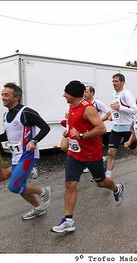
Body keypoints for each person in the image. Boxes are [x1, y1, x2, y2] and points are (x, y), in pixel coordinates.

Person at [52, 80, 124, 233]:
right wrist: (69, 132)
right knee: (70, 185)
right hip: (74, 153)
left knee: (101, 182)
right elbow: (74, 126)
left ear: (73, 94)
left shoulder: (88, 109)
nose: (64, 95)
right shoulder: (71, 106)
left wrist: (81, 135)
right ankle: (68, 220)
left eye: (66, 92)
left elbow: (102, 129)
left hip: (91, 153)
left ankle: (116, 188)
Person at [0, 83, 51, 220]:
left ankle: (43, 191)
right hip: (16, 156)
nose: (2, 98)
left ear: (16, 97)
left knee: (15, 186)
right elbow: (7, 135)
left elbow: (45, 127)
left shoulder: (26, 112)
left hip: (28, 155)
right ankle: (38, 208)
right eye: (2, 95)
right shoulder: (6, 115)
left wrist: (34, 141)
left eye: (6, 95)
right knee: (21, 186)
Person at [107, 73, 137, 180]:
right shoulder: (114, 94)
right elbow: (115, 109)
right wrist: (112, 115)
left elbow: (135, 110)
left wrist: (120, 108)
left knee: (134, 151)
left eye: (116, 81)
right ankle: (108, 176)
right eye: (113, 81)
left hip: (127, 128)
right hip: (116, 127)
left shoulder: (126, 94)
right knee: (111, 152)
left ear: (122, 82)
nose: (114, 83)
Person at [83, 85, 111, 173]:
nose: (84, 94)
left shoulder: (97, 103)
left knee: (94, 147)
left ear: (92, 93)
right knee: (86, 146)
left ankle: (101, 160)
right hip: (86, 129)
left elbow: (108, 113)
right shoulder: (83, 103)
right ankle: (90, 163)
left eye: (86, 92)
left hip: (96, 129)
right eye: (84, 92)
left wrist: (98, 121)